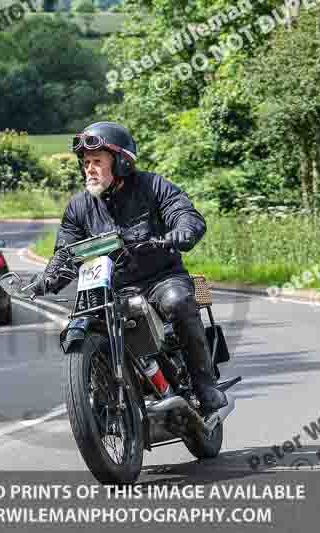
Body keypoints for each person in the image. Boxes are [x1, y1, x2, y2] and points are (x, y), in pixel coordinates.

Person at [30, 121, 227, 416]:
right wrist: (46, 280)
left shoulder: (153, 186)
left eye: (97, 161)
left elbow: (184, 213)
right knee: (78, 329)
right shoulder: (78, 207)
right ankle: (101, 405)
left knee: (178, 301)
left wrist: (183, 231)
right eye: (86, 163)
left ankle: (204, 385)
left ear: (121, 163)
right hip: (110, 289)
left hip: (160, 278)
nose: (89, 169)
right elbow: (65, 252)